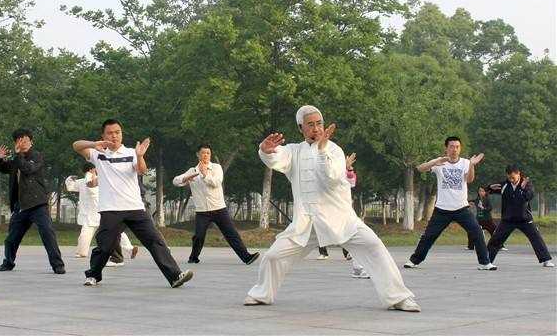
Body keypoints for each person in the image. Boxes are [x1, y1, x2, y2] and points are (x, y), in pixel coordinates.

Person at [244, 105, 419, 312]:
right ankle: (262, 294)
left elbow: (331, 179)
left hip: (341, 219)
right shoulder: (294, 151)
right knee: (273, 257)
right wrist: (265, 151)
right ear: (301, 128)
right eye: (311, 125)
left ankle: (399, 298)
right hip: (306, 223)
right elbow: (276, 157)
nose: (316, 128)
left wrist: (321, 150)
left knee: (374, 246)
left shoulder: (334, 150)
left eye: (319, 123)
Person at [73, 119, 192, 287]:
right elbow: (76, 145)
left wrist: (140, 155)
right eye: (110, 133)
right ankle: (93, 275)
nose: (114, 136)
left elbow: (142, 170)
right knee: (105, 246)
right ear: (103, 135)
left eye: (117, 132)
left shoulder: (130, 152)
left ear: (122, 134)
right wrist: (94, 144)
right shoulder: (97, 153)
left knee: (155, 240)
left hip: (135, 208)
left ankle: (175, 276)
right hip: (110, 209)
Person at [403, 136, 496, 271]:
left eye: (457, 147)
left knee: (477, 232)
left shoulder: (465, 163)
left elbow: (469, 180)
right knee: (429, 236)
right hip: (442, 209)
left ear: (460, 148)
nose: (454, 149)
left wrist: (471, 165)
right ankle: (414, 260)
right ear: (446, 148)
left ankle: (485, 263)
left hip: (461, 208)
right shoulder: (440, 163)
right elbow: (420, 168)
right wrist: (435, 161)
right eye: (451, 147)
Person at [173, 144, 259, 265]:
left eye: (208, 153)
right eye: (203, 153)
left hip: (219, 209)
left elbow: (216, 182)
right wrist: (186, 178)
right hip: (202, 212)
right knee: (199, 236)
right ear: (198, 154)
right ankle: (193, 257)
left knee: (231, 234)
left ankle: (246, 257)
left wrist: (204, 174)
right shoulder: (192, 171)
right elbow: (175, 181)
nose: (206, 155)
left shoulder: (216, 168)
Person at [0, 128, 65, 274]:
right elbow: (4, 168)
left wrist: (18, 154)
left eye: (25, 140)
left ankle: (57, 265)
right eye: (19, 140)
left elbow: (27, 169)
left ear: (31, 141)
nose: (23, 142)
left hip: (38, 204)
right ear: (16, 143)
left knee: (47, 233)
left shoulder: (37, 156)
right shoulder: (16, 159)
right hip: (21, 206)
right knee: (11, 239)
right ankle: (8, 263)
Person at [64, 163, 138, 264]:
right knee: (115, 232)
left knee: (85, 234)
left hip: (92, 213)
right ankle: (130, 248)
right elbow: (89, 187)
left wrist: (69, 179)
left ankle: (82, 252)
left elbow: (71, 187)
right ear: (91, 169)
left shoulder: (84, 182)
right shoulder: (97, 181)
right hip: (101, 211)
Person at [486, 164, 554, 268]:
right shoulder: (504, 185)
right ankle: (486, 261)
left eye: (513, 177)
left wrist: (523, 189)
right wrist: (489, 188)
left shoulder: (526, 184)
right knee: (496, 239)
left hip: (525, 219)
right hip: (508, 219)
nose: (511, 180)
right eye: (509, 178)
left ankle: (546, 260)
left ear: (519, 174)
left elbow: (529, 196)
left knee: (536, 238)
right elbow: (489, 189)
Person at [465, 186, 504, 251]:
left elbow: (490, 208)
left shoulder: (487, 199)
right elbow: (471, 202)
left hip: (487, 220)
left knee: (495, 231)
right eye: (480, 191)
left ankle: (500, 246)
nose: (481, 192)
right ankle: (470, 246)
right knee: (471, 230)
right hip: (478, 220)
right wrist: (468, 203)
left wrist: (484, 208)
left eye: (483, 191)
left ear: (485, 192)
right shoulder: (477, 199)